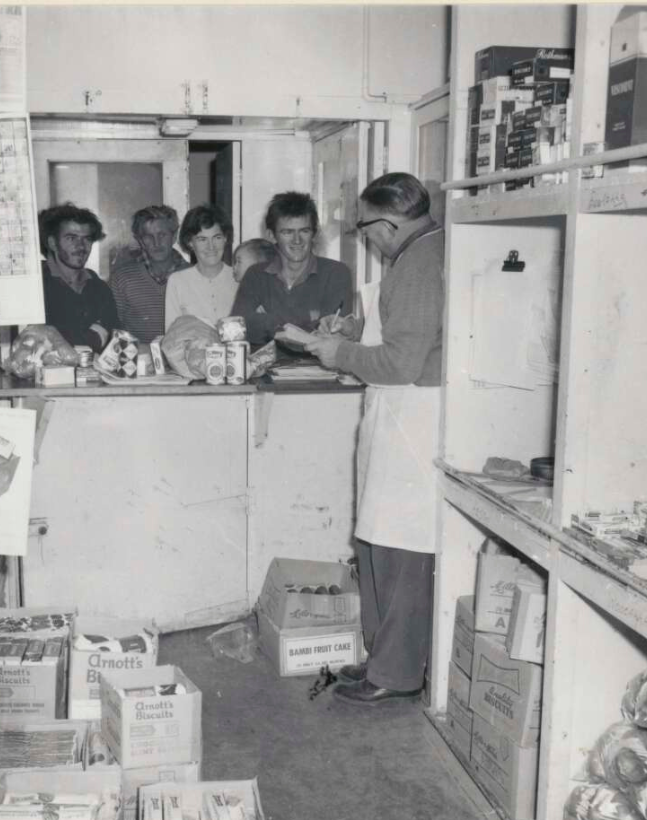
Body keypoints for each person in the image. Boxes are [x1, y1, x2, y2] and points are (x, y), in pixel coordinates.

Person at [302, 173, 445, 705]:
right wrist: (354, 331)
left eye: (366, 229)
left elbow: (402, 363)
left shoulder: (419, 263)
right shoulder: (420, 254)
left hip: (415, 419)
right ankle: (382, 660)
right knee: (378, 544)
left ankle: (398, 674)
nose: (367, 238)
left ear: (388, 224)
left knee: (402, 552)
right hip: (400, 415)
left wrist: (339, 354)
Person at [229, 192, 354, 349]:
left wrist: (265, 321)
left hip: (321, 370)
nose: (297, 240)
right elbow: (235, 330)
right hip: (264, 368)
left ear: (314, 234)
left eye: (304, 231)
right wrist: (307, 325)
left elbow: (332, 336)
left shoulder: (337, 273)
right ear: (271, 236)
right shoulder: (255, 275)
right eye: (287, 232)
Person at [38, 203, 119, 352]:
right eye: (71, 238)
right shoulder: (36, 285)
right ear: (53, 243)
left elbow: (115, 342)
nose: (81, 246)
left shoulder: (99, 288)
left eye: (87, 239)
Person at [109, 205, 189, 341]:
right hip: (137, 359)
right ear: (140, 241)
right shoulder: (122, 278)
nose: (156, 243)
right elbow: (113, 328)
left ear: (174, 236)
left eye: (162, 235)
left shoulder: (193, 276)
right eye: (148, 237)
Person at [164, 205, 238, 330]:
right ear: (190, 242)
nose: (211, 246)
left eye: (217, 237)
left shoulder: (240, 278)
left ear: (225, 238)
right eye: (202, 239)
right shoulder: (177, 281)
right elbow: (172, 337)